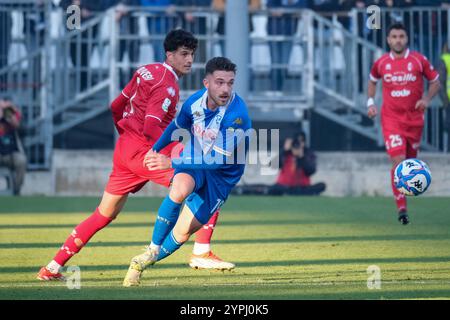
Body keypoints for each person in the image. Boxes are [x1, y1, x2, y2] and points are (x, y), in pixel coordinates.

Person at [37, 30, 231, 282]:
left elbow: (116, 105)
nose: (189, 60)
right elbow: (151, 127)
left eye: (192, 54)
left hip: (125, 149)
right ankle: (201, 251)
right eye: (183, 54)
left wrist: (126, 135)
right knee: (206, 174)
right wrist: (171, 151)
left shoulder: (146, 70)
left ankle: (52, 267)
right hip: (144, 150)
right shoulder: (168, 85)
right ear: (169, 54)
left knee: (103, 214)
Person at [123, 56, 252, 287]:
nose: (225, 89)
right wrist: (155, 149)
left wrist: (170, 162)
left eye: (230, 83)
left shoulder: (237, 115)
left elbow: (216, 161)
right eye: (220, 82)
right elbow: (177, 125)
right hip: (195, 160)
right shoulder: (194, 102)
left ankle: (141, 263)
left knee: (182, 234)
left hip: (221, 176)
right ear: (206, 83)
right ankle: (152, 248)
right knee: (179, 189)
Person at [367, 23, 440, 225]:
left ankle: (406, 193)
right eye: (394, 36)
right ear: (388, 40)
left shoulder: (418, 60)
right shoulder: (381, 63)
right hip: (391, 119)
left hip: (415, 120)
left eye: (401, 36)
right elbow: (372, 80)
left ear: (406, 39)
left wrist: (426, 99)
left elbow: (436, 81)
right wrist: (371, 102)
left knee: (409, 163)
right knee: (398, 161)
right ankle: (401, 208)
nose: (398, 40)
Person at [268, 131, 325, 196]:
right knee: (273, 188)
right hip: (284, 186)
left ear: (304, 143)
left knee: (322, 185)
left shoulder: (308, 153)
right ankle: (296, 193)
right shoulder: (285, 154)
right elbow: (272, 165)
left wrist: (301, 157)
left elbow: (311, 170)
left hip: (303, 187)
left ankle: (292, 193)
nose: (297, 144)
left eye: (301, 141)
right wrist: (284, 150)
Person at [0, 98, 27, 196]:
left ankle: (16, 190)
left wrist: (9, 115)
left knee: (21, 160)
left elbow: (23, 131)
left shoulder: (10, 115)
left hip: (10, 154)